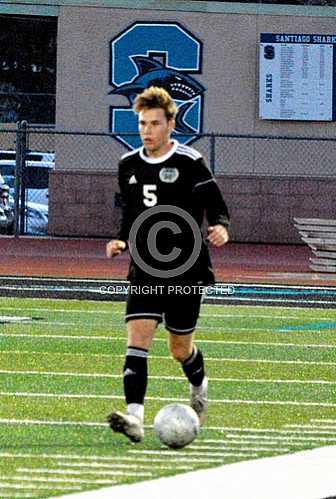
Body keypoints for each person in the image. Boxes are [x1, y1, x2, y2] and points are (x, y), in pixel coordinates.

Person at [106, 86, 230, 443]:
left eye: (154, 123)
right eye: (142, 123)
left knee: (179, 349)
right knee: (137, 340)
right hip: (145, 267)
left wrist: (221, 227)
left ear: (171, 124)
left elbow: (216, 205)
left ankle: (199, 382)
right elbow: (132, 213)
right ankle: (134, 418)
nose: (147, 130)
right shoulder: (127, 165)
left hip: (186, 268)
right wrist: (122, 238)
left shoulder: (190, 162)